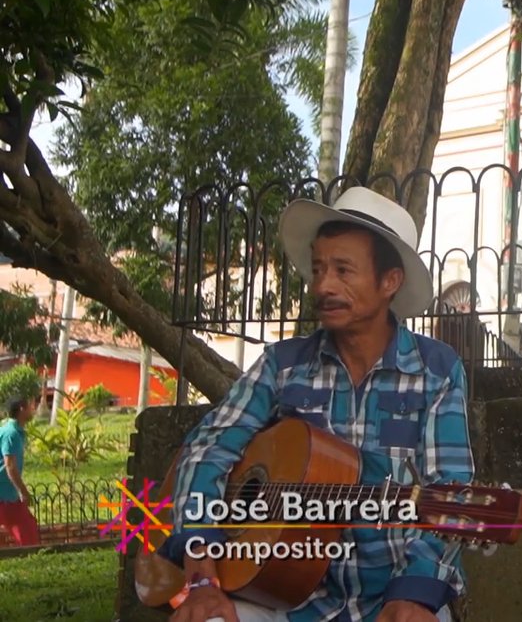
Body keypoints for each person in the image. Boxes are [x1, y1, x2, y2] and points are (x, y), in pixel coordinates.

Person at [161, 187, 474, 622]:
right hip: (280, 596)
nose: (323, 285)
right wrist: (201, 573)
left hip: (394, 597)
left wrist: (416, 593)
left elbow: (450, 489)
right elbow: (207, 448)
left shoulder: (437, 371)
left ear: (390, 282)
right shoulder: (282, 365)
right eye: (318, 268)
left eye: (343, 270)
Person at [0, 395, 39, 547]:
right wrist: (23, 491)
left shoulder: (10, 430)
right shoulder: (12, 434)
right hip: (4, 495)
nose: (32, 409)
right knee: (27, 531)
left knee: (26, 527)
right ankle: (29, 561)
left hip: (6, 494)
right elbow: (10, 466)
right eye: (30, 406)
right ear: (22, 409)